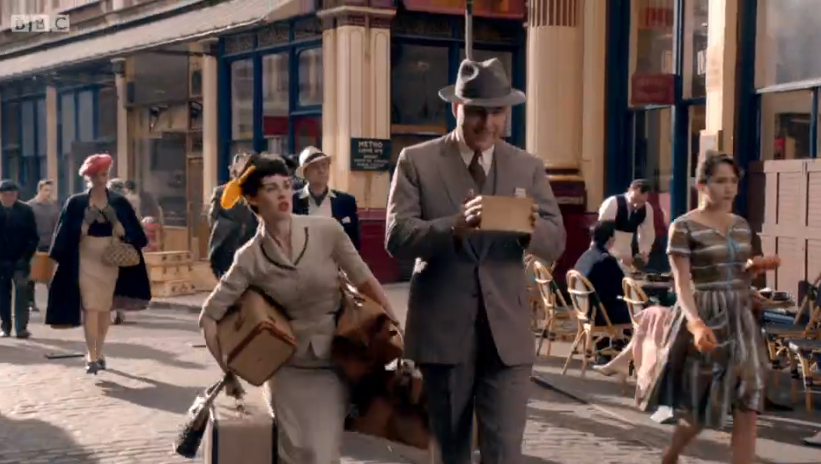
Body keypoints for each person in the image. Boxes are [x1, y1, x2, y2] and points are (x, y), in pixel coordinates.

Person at [385, 57, 565, 464]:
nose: (487, 123)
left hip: (507, 335)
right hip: (443, 333)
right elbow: (396, 238)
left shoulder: (527, 166)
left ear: (508, 113)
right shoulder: (417, 161)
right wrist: (453, 226)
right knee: (452, 452)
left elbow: (555, 242)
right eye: (477, 112)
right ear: (457, 108)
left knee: (505, 452)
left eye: (497, 112)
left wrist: (527, 227)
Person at [198, 155, 397, 464]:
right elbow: (209, 317)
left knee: (320, 453)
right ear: (253, 199)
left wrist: (396, 328)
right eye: (271, 188)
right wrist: (230, 370)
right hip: (287, 368)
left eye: (287, 185)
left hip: (336, 359)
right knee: (295, 453)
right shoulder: (249, 257)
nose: (283, 194)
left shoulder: (327, 231)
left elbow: (366, 281)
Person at [638, 151, 770, 464]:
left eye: (733, 181)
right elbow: (682, 284)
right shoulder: (683, 227)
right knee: (701, 405)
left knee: (748, 399)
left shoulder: (741, 225)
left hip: (740, 318)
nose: (729, 188)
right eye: (721, 181)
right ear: (701, 185)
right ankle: (671, 455)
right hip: (706, 316)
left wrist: (753, 271)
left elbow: (738, 271)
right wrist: (695, 323)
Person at [47, 154, 151, 375]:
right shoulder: (76, 202)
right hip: (85, 258)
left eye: (104, 175)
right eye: (96, 176)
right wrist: (85, 223)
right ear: (89, 178)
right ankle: (91, 355)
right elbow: (65, 235)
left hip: (111, 260)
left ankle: (99, 350)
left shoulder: (119, 202)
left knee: (103, 308)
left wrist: (116, 224)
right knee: (90, 306)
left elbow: (134, 234)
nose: (100, 180)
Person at [293, 146, 361, 250]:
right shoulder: (293, 200)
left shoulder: (346, 201)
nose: (321, 170)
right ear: (305, 173)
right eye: (315, 167)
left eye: (324, 165)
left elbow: (354, 241)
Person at [207, 152, 258, 278]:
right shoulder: (221, 192)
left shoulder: (255, 193)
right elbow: (212, 219)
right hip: (227, 249)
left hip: (250, 246)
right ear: (233, 171)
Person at [572, 220, 632, 327]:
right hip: (601, 314)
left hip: (584, 310)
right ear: (610, 239)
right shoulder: (605, 260)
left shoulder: (584, 257)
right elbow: (622, 288)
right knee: (640, 309)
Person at [0, 180, 39, 339]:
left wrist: (25, 257)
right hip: (1, 260)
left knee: (22, 290)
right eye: (6, 195)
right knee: (3, 294)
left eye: (13, 194)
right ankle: (5, 326)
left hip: (20, 259)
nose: (10, 197)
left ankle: (21, 327)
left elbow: (33, 237)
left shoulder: (25, 210)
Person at [598, 179, 655, 269]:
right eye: (634, 199)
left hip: (627, 252)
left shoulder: (647, 209)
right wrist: (615, 257)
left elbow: (648, 233)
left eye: (641, 202)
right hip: (607, 251)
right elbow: (601, 233)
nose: (636, 205)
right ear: (629, 190)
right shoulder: (613, 203)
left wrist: (644, 253)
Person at [26, 179, 60, 313]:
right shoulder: (30, 206)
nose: (48, 193)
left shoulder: (53, 206)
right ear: (39, 190)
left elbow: (57, 224)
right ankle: (30, 302)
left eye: (50, 191)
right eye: (46, 190)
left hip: (49, 243)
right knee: (31, 276)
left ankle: (52, 302)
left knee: (49, 275)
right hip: (34, 244)